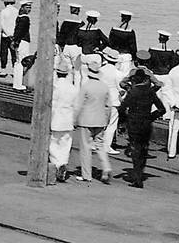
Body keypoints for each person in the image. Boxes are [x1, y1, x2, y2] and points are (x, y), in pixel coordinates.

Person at [120, 68, 164, 188]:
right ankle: (140, 173)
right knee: (144, 150)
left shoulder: (133, 92)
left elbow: (122, 109)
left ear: (134, 80)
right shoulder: (150, 92)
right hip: (146, 123)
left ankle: (137, 177)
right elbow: (162, 109)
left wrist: (124, 121)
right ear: (145, 79)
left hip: (134, 123)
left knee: (135, 150)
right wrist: (151, 117)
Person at [75, 55, 114, 184]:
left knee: (85, 147)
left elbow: (78, 105)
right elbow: (109, 106)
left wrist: (74, 120)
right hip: (101, 120)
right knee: (100, 146)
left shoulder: (85, 86)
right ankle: (106, 167)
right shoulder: (104, 87)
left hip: (86, 120)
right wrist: (106, 120)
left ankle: (87, 175)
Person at [49, 58, 79, 183]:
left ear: (57, 72)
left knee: (54, 144)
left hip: (56, 120)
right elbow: (77, 107)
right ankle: (63, 163)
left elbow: (52, 105)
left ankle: (56, 165)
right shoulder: (73, 88)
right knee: (66, 145)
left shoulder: (55, 87)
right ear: (67, 73)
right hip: (68, 120)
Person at [98, 48, 124, 157]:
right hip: (113, 101)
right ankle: (106, 146)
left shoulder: (101, 70)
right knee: (111, 125)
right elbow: (121, 89)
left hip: (101, 99)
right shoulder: (118, 74)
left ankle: (97, 143)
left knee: (100, 122)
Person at [107, 11, 138, 76]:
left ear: (121, 18)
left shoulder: (114, 28)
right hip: (126, 57)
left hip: (114, 55)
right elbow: (133, 46)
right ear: (129, 19)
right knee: (124, 75)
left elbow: (109, 42)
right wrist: (135, 59)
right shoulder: (130, 31)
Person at [11, 1, 32, 91]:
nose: (29, 9)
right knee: (22, 62)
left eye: (30, 7)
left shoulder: (19, 17)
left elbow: (17, 31)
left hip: (19, 41)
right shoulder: (25, 19)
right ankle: (19, 84)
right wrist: (17, 41)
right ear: (22, 7)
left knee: (17, 62)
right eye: (27, 7)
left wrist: (14, 41)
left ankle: (16, 83)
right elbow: (21, 31)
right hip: (23, 41)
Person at [0, 0, 18, 77]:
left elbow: (2, 24)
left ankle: (3, 69)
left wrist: (8, 33)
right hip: (14, 35)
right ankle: (14, 70)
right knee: (14, 53)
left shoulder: (3, 11)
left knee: (3, 53)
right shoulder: (17, 11)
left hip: (5, 35)